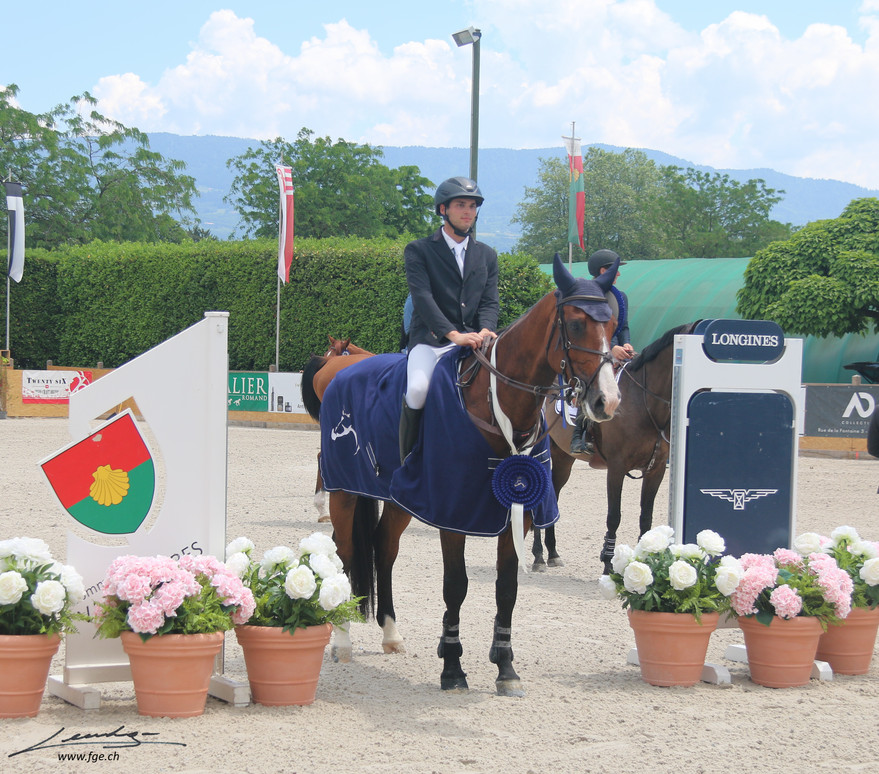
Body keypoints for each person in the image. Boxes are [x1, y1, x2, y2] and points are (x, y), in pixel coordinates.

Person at [399, 176, 499, 462]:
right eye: (460, 205)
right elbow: (423, 299)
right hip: (432, 341)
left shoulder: (487, 255)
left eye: (472, 206)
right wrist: (453, 335)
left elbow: (490, 301)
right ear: (443, 209)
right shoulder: (419, 250)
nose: (468, 212)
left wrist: (486, 329)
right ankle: (408, 462)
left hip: (475, 340)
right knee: (417, 389)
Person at [570, 248, 635, 455]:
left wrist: (626, 344)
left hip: (617, 350)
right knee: (591, 381)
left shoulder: (620, 297)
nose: (619, 274)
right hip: (596, 352)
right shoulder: (588, 296)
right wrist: (612, 348)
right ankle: (578, 435)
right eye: (616, 270)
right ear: (603, 271)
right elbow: (595, 329)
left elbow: (623, 326)